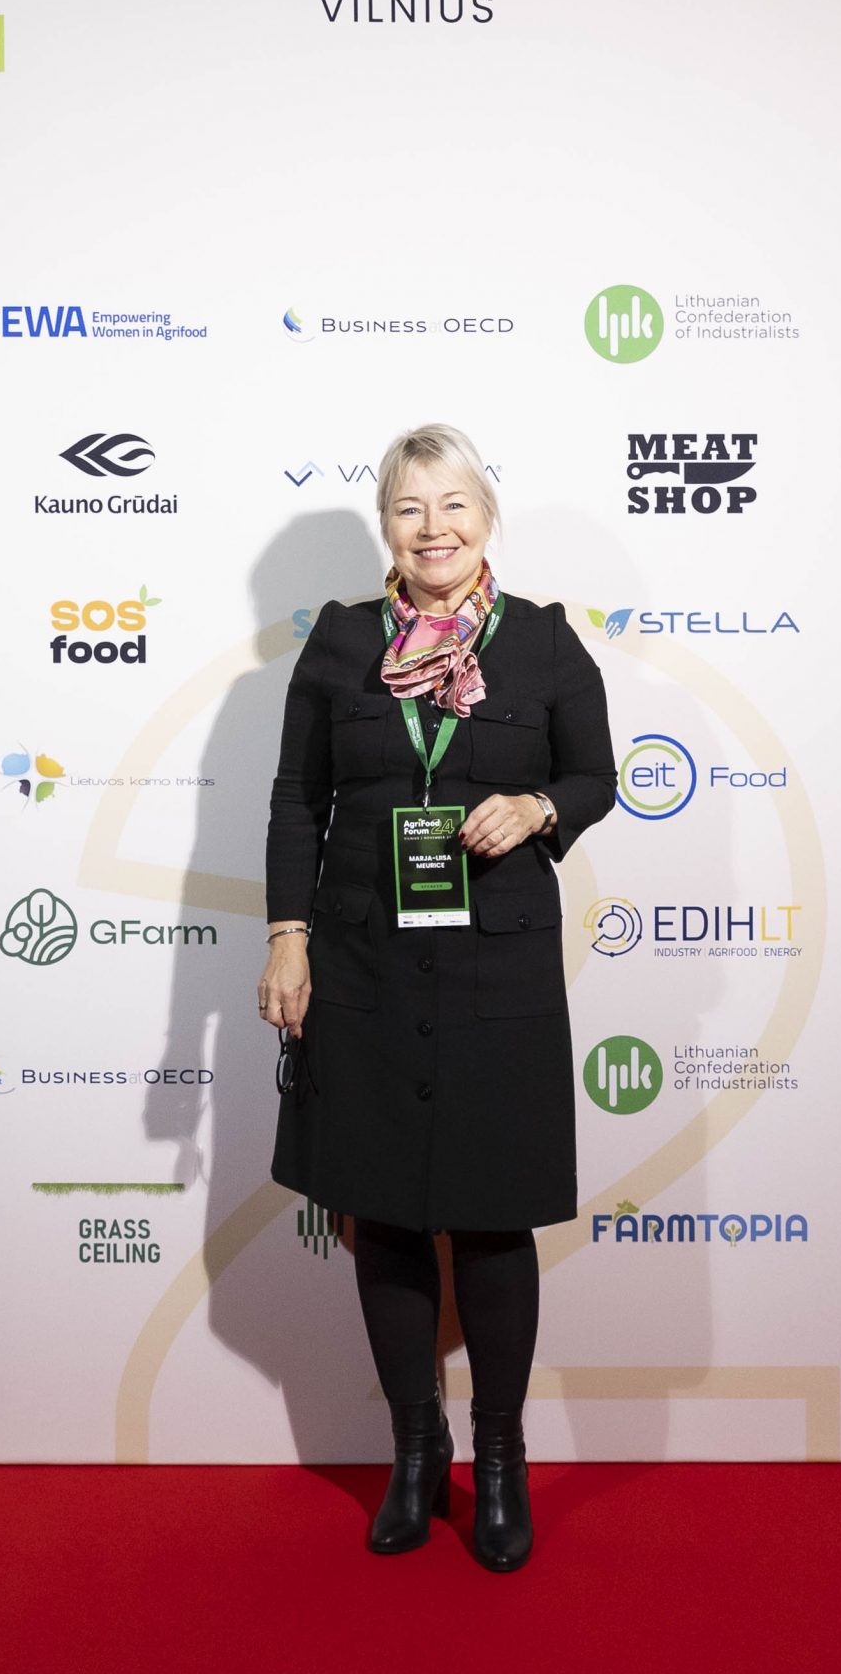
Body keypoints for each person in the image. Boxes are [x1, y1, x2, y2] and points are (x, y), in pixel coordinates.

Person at [257, 422, 616, 1572]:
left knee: (494, 1215)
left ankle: (499, 1459)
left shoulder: (544, 641)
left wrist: (539, 808)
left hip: (497, 969)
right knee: (386, 1217)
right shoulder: (340, 641)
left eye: (453, 504)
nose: (433, 528)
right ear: (386, 525)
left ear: (485, 516)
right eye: (410, 508)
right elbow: (296, 800)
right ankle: (415, 1454)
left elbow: (594, 775)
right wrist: (288, 937)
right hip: (362, 962)